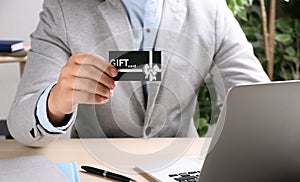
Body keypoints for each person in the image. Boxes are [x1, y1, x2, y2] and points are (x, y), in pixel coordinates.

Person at [7, 0, 270, 147]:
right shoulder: (64, 10)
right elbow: (20, 122)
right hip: (93, 167)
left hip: (182, 169)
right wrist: (56, 102)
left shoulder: (210, 11)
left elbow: (261, 101)